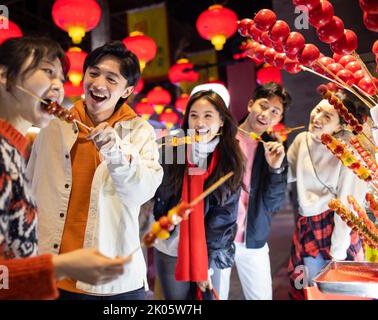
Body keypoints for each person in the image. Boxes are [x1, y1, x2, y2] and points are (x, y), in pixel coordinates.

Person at [0, 36, 131, 300]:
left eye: (61, 77)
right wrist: (62, 266)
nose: (58, 86)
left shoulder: (6, 149)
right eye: (47, 72)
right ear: (4, 75)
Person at [26, 41, 163, 300]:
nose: (99, 84)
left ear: (127, 90)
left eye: (112, 79)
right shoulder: (53, 125)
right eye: (93, 73)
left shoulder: (140, 132)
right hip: (51, 270)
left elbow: (140, 192)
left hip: (111, 279)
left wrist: (116, 152)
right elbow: (30, 184)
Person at [152, 83, 245, 300]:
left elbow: (224, 218)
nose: (199, 123)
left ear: (221, 120)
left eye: (207, 115)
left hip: (210, 252)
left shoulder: (229, 160)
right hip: (170, 247)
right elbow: (158, 193)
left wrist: (206, 265)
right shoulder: (172, 150)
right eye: (193, 115)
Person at [287, 95, 367, 299]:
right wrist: (275, 161)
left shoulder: (348, 152)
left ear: (340, 126)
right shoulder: (301, 140)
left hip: (337, 227)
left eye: (328, 116)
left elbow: (348, 205)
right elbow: (287, 175)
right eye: (317, 110)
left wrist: (339, 253)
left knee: (339, 290)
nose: (317, 117)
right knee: (311, 289)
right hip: (307, 225)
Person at [221, 82, 292, 300]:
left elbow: (273, 203)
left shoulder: (274, 148)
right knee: (214, 296)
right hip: (220, 236)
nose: (266, 114)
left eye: (275, 112)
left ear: (278, 120)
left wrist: (275, 168)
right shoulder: (224, 137)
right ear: (251, 104)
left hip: (253, 237)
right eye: (263, 106)